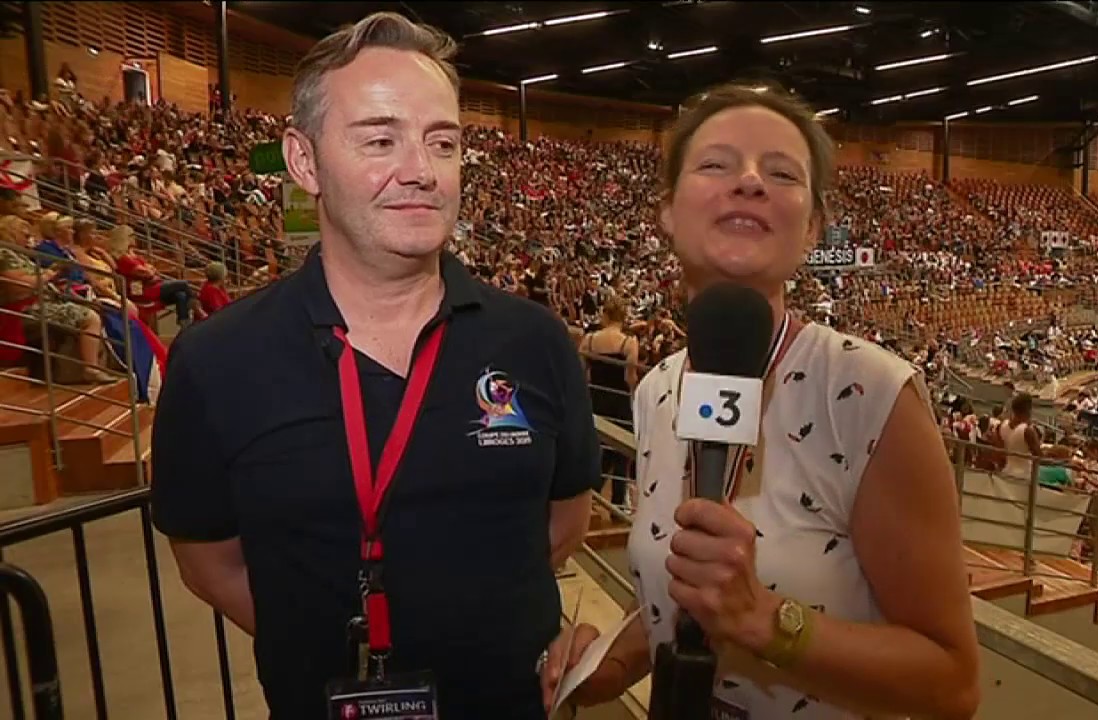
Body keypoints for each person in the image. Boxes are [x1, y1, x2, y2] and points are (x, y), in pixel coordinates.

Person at [149, 12, 601, 720]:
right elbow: (210, 562)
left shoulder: (536, 341)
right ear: (304, 162)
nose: (420, 170)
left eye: (442, 142)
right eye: (381, 140)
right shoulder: (216, 360)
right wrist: (322, 641)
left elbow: (564, 524)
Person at [540, 84, 979, 719]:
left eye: (781, 173)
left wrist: (768, 621)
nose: (749, 182)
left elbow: (953, 684)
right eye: (716, 164)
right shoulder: (658, 387)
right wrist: (612, 661)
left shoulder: (870, 392)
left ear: (813, 228)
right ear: (667, 211)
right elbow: (692, 591)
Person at [580, 297, 639, 508]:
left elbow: (582, 373)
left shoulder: (589, 339)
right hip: (619, 400)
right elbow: (630, 378)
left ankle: (593, 494)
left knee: (599, 449)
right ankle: (618, 503)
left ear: (605, 315)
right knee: (621, 452)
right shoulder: (628, 342)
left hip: (595, 398)